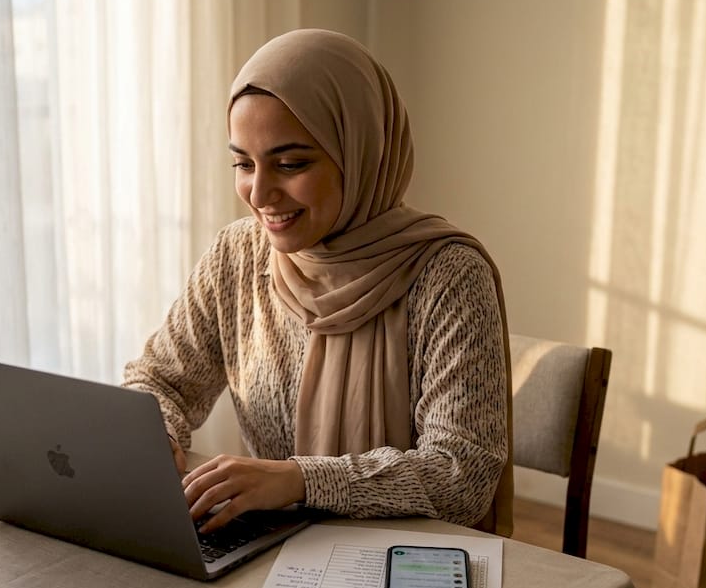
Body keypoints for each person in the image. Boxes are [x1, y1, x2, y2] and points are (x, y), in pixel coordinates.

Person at [122, 29, 513, 535]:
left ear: (360, 151)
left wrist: (301, 482)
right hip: (274, 549)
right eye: (243, 163)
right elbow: (159, 380)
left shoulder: (448, 275)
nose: (259, 193)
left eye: (290, 164)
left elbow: (462, 474)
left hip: (407, 562)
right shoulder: (238, 254)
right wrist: (157, 434)